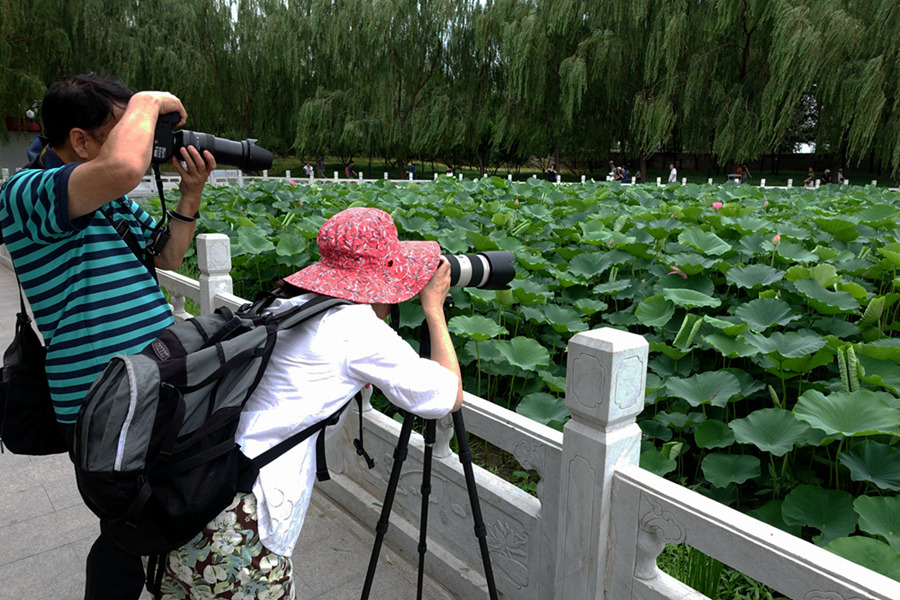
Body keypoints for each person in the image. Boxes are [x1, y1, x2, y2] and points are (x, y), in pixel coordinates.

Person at [149, 207, 463, 597]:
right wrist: (433, 308)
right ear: (383, 276)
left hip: (185, 501)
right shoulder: (354, 327)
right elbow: (447, 395)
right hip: (241, 528)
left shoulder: (286, 301)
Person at [0, 73, 216, 599]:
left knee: (150, 514)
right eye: (127, 126)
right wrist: (149, 98)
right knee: (127, 524)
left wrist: (189, 197)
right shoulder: (23, 193)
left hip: (154, 381)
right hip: (102, 400)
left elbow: (166, 257)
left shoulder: (108, 200)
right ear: (80, 140)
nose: (143, 138)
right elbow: (122, 167)